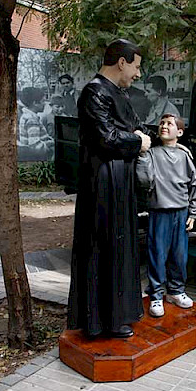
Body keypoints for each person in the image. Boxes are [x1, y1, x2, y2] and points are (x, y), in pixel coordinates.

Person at [67, 39, 152, 338]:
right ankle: (98, 322)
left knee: (120, 246)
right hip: (103, 182)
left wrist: (138, 137)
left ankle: (115, 316)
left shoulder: (116, 93)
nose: (138, 74)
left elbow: (130, 127)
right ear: (122, 62)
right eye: (137, 66)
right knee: (103, 246)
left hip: (118, 179)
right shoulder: (94, 91)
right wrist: (137, 141)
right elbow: (107, 138)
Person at [136, 113, 196, 317]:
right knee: (157, 254)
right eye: (162, 123)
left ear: (179, 132)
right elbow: (144, 181)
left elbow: (194, 184)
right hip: (160, 211)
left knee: (179, 256)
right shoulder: (152, 154)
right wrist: (142, 156)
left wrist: (194, 211)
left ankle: (176, 291)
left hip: (181, 212)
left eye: (170, 124)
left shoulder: (185, 156)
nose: (164, 126)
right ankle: (155, 295)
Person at [17, 87, 54, 161]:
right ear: (35, 103)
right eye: (43, 101)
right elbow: (35, 146)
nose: (45, 104)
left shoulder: (26, 115)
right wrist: (50, 145)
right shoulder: (32, 119)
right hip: (38, 158)